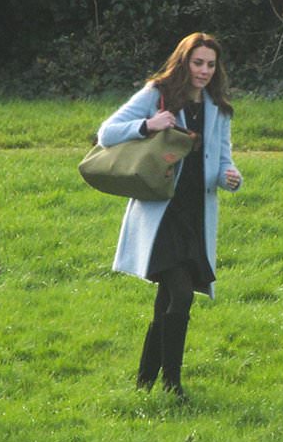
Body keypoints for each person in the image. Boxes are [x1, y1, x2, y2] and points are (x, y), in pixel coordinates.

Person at [97, 31, 243, 400]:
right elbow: (106, 132)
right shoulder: (157, 94)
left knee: (167, 301)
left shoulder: (218, 108)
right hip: (160, 217)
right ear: (184, 61)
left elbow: (222, 160)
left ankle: (145, 380)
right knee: (180, 294)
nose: (204, 71)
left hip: (195, 216)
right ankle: (172, 384)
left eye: (211, 64)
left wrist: (231, 177)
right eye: (198, 63)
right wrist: (147, 125)